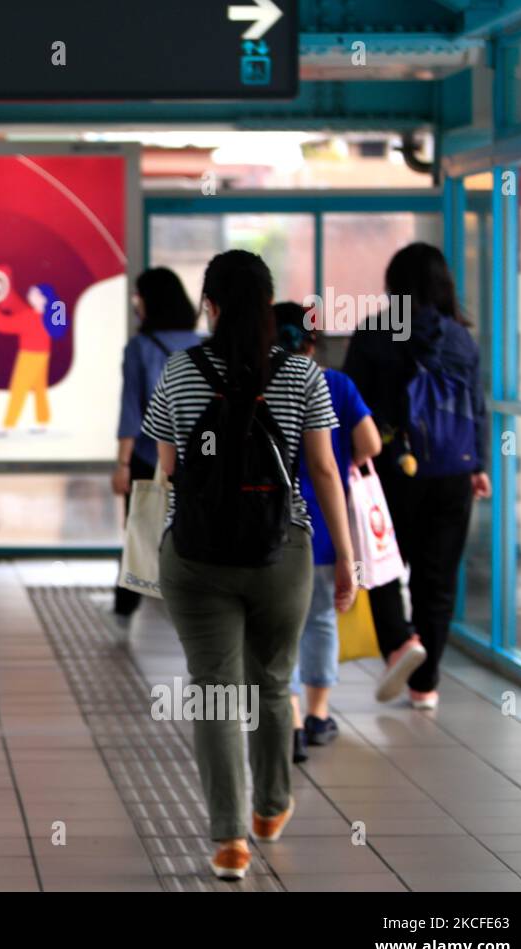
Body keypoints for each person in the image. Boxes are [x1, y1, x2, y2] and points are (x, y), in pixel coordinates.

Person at [142, 250, 355, 881]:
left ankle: (228, 841)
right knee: (271, 682)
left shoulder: (179, 372)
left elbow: (168, 469)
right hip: (281, 551)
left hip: (197, 553)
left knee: (212, 693)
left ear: (210, 305)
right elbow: (323, 471)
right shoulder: (302, 375)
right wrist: (344, 556)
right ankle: (271, 805)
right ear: (267, 306)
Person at [343, 243, 490, 710]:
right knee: (437, 578)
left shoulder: (374, 334)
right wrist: (480, 465)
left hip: (388, 468)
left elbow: (351, 405)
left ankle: (401, 644)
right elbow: (477, 409)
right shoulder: (461, 339)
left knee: (379, 563)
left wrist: (350, 460)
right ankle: (425, 686)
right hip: (451, 470)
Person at [274, 303, 381, 762]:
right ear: (314, 343)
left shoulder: (261, 386)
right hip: (325, 522)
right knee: (321, 618)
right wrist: (344, 466)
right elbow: (371, 444)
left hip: (274, 525)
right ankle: (319, 717)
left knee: (281, 626)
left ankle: (292, 721)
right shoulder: (336, 384)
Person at [112, 267, 201, 616]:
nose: (136, 304)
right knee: (192, 527)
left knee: (140, 530)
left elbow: (131, 408)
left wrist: (122, 463)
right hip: (197, 458)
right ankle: (189, 597)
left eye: (139, 296)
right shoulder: (201, 346)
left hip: (148, 458)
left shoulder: (140, 348)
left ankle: (127, 603)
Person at [0, 268, 55, 430]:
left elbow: (4, 325)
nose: (30, 295)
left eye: (34, 294)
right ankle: (43, 422)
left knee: (18, 388)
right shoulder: (45, 316)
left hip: (29, 356)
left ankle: (8, 426)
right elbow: (17, 307)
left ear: (42, 299)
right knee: (39, 389)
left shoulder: (29, 317)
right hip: (43, 354)